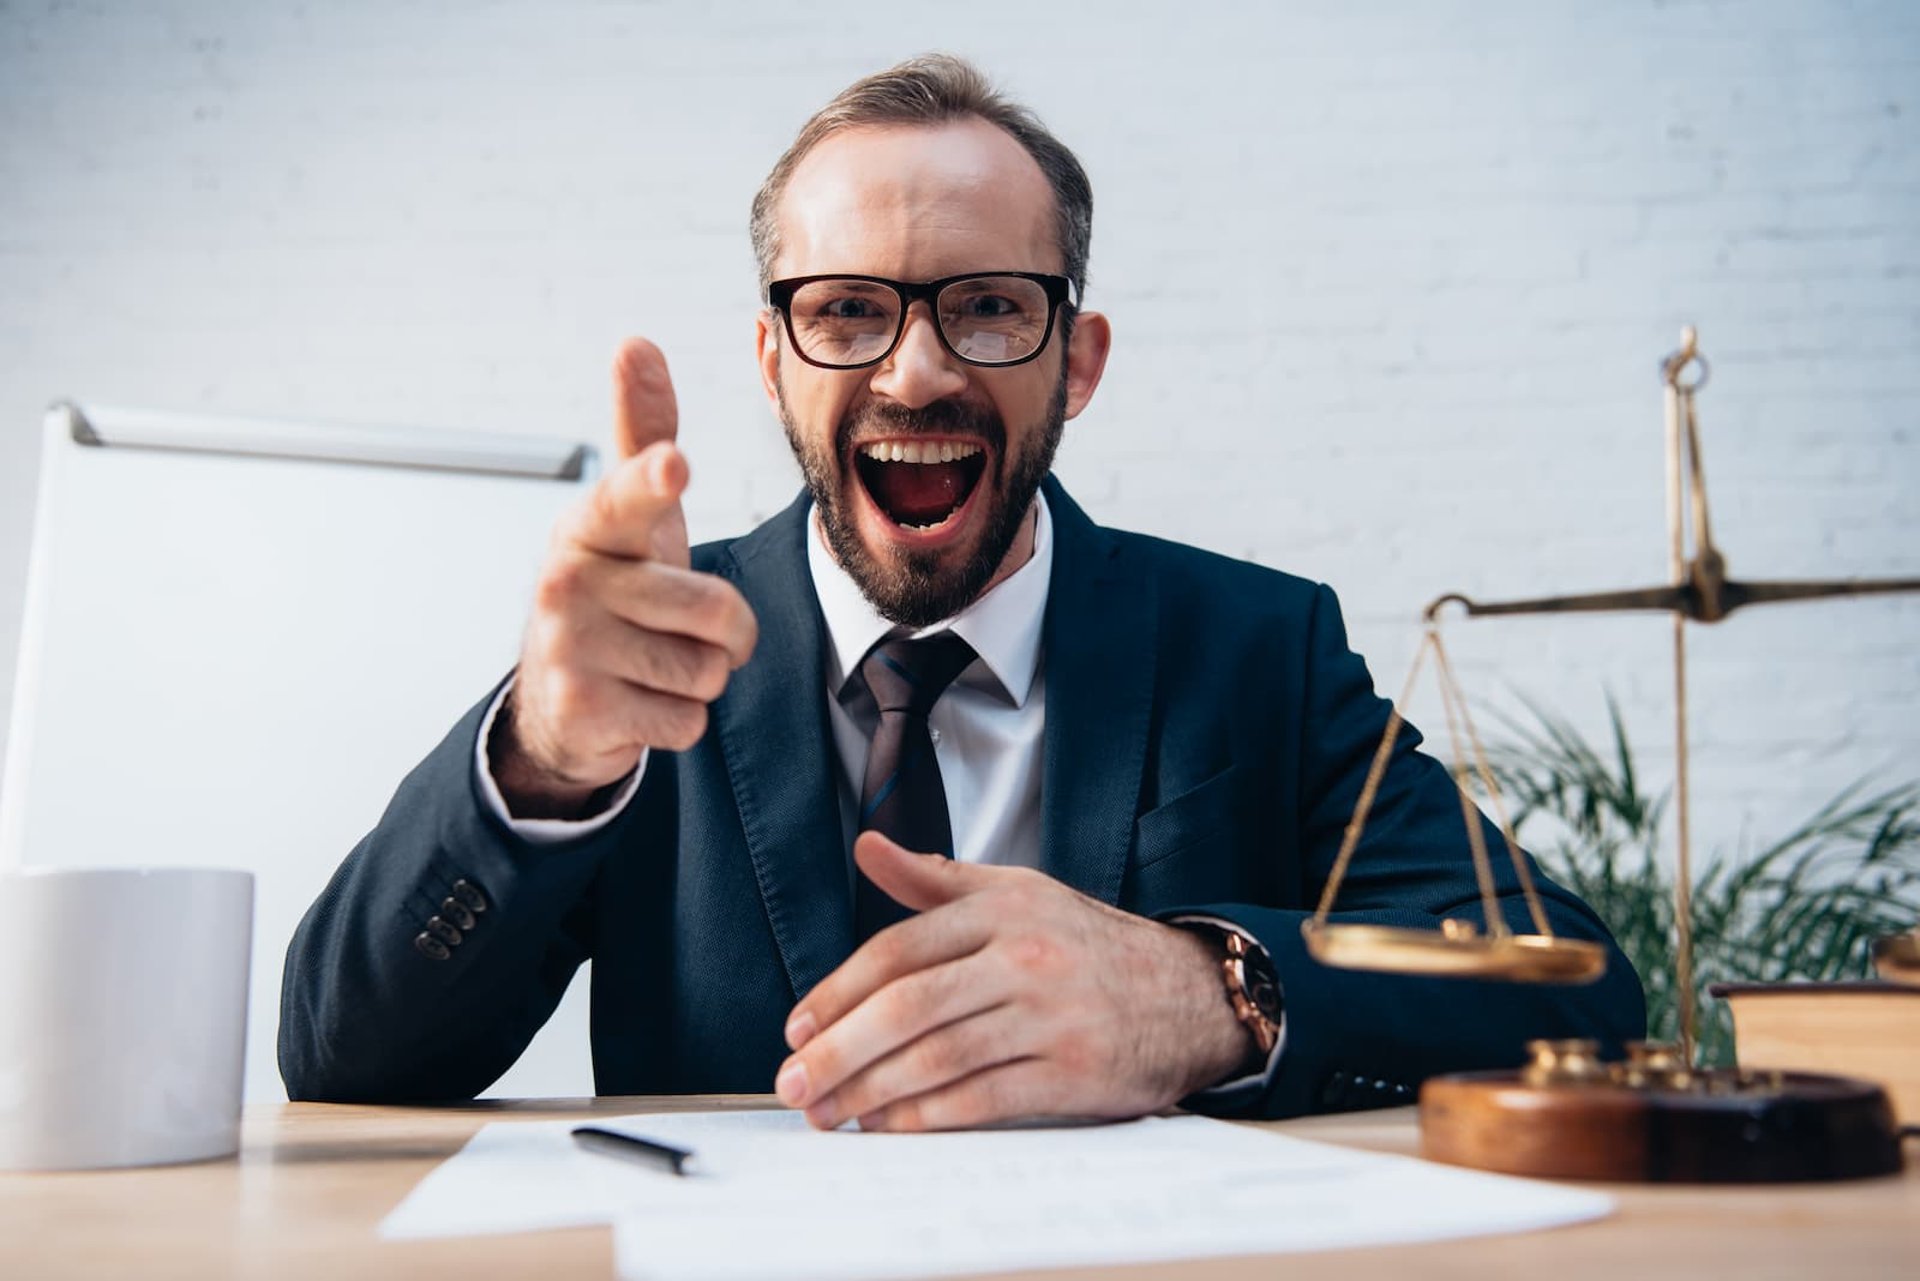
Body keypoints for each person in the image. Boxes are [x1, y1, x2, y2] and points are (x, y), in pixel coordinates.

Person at [280, 55, 1643, 1129]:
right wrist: (545, 756)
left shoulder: (1257, 651)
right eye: (848, 310)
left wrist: (1205, 992)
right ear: (772, 360)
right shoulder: (650, 651)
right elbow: (342, 1060)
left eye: (988, 305)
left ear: (1079, 359)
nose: (918, 371)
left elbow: (1578, 987)